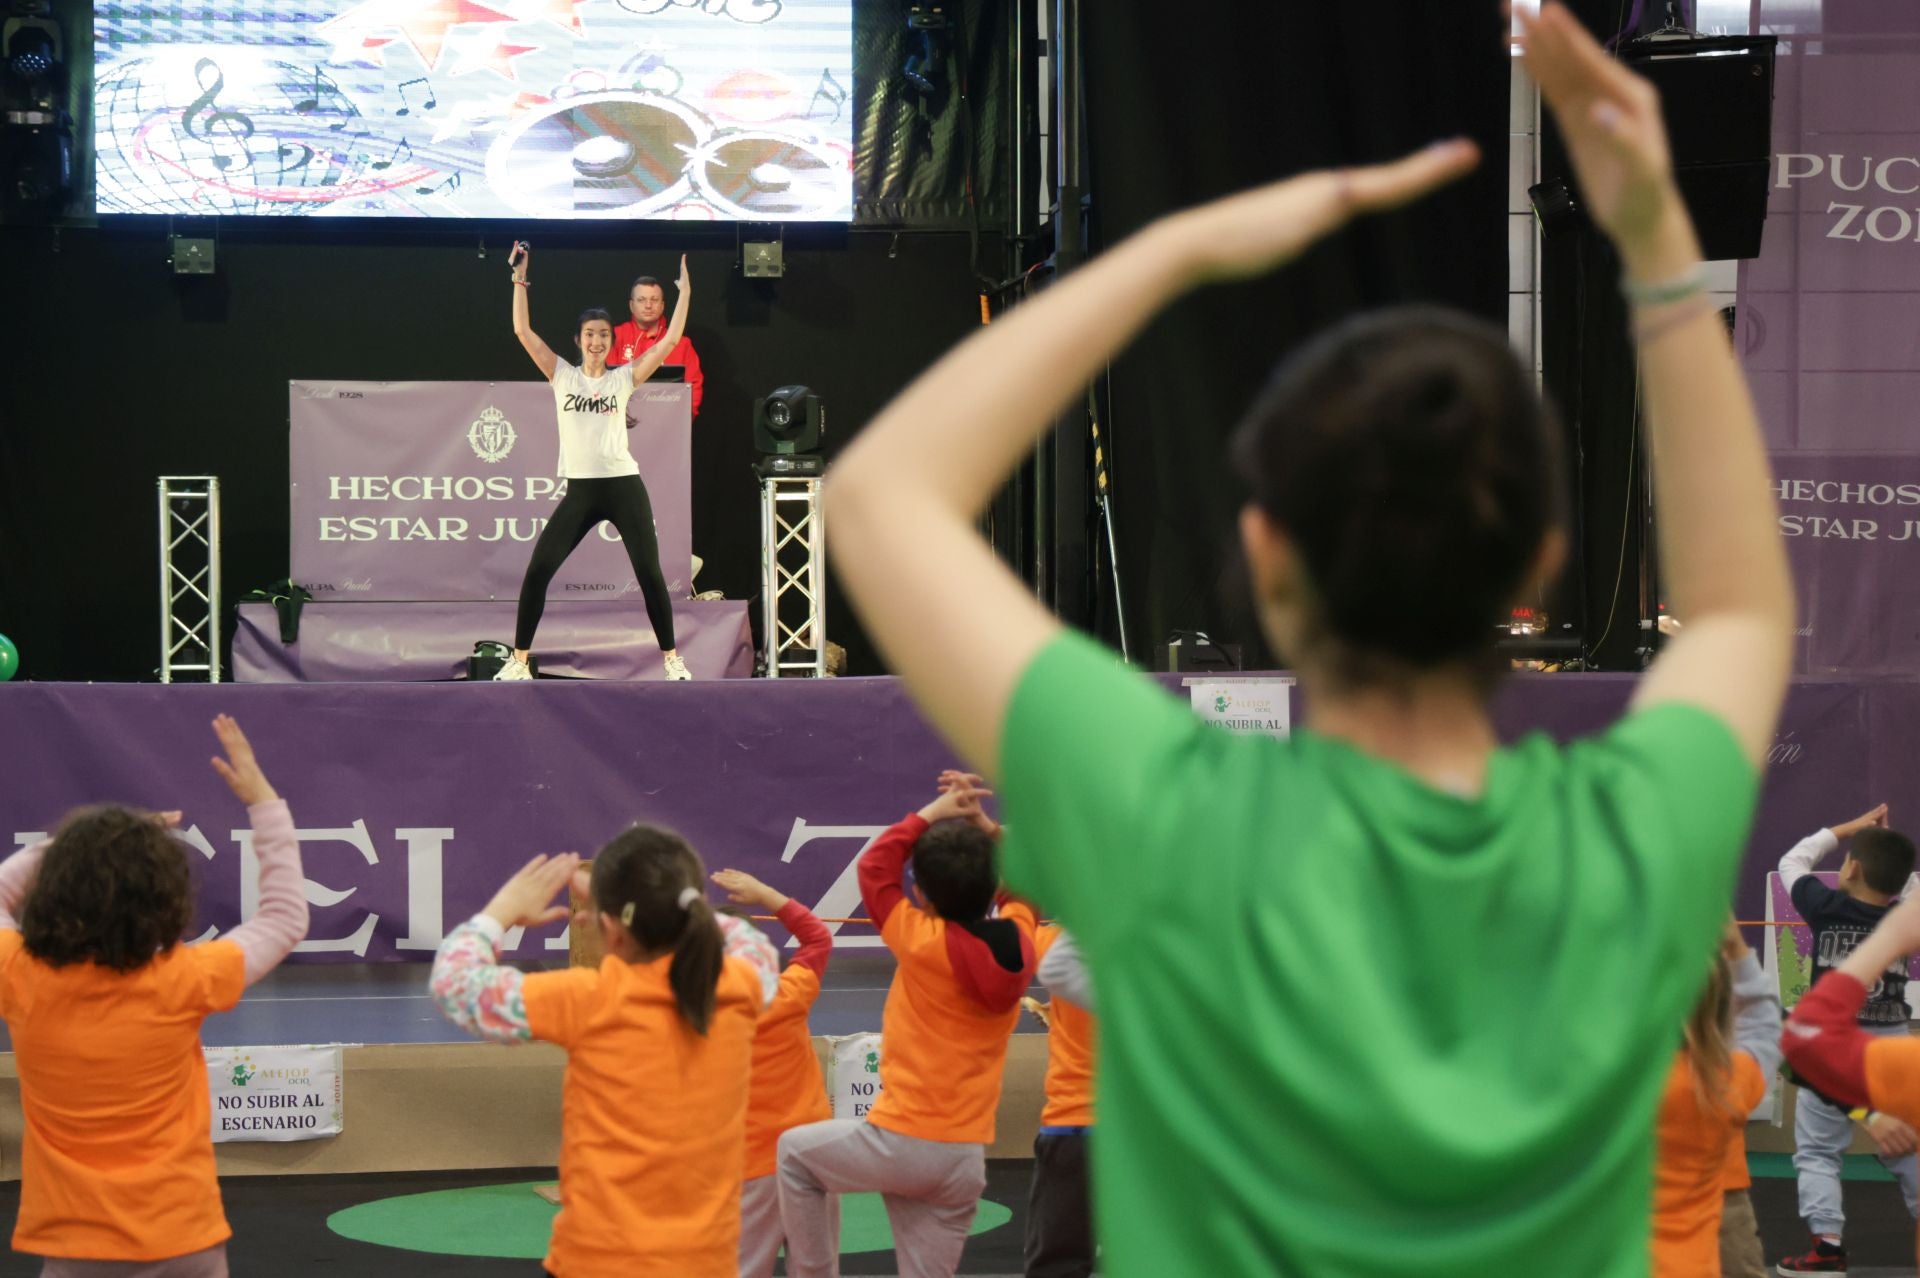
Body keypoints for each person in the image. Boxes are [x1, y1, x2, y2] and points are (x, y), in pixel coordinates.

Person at [818, 4, 1794, 1273]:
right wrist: (1659, 248)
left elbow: (881, 495)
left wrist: (1174, 250)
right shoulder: (1627, 835)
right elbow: (1738, 609)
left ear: (1266, 556)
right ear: (1541, 564)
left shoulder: (1176, 816)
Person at [0, 715, 309, 1277]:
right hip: (182, 1239)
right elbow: (286, 917)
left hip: (75, 1247)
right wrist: (265, 802)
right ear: (164, 897)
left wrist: (78, 849)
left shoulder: (19, 974)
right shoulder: (185, 978)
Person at [430, 829, 780, 1278]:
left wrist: (500, 912)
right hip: (708, 1263)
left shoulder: (592, 1000)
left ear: (609, 930)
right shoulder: (743, 985)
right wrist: (663, 901)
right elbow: (748, 945)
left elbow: (455, 986)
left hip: (599, 1261)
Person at [777, 780, 1037, 1278]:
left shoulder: (919, 940)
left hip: (900, 1142)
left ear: (922, 894)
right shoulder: (1021, 942)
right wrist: (993, 832)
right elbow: (1024, 889)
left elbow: (874, 868)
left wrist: (933, 811)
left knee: (793, 1154)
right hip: (961, 1162)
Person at [499, 242, 694, 682]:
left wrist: (683, 295)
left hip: (623, 487)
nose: (596, 340)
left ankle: (672, 660)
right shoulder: (560, 374)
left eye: (604, 334)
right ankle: (519, 661)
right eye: (589, 334)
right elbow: (522, 331)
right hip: (582, 491)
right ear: (579, 339)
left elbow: (671, 340)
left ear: (611, 341)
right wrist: (519, 279)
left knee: (649, 573)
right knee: (538, 571)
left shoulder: (624, 377)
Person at [1776, 804, 1920, 1274]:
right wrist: (1893, 859)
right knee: (1906, 1145)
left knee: (1818, 1150)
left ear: (1851, 867)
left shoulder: (1824, 905)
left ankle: (1827, 1245)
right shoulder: (1903, 914)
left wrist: (1847, 831)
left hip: (1835, 1049)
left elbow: (1792, 862)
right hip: (1891, 1048)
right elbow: (1910, 886)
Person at [707, 868, 834, 1278]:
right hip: (814, 1158)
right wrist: (764, 894)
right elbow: (818, 937)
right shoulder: (791, 993)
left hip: (748, 1167)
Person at [1650, 921, 1780, 1278]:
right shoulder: (1726, 1081)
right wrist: (1737, 949)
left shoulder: (1621, 1088)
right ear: (1722, 1005)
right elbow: (1765, 1026)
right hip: (1719, 1199)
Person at [1028, 922, 1096, 1278]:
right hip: (1148, 1132)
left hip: (1074, 1125)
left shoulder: (1052, 940)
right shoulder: (1169, 938)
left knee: (1057, 1268)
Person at [610, 273, 704, 419]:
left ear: (662, 305)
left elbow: (693, 387)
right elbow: (603, 381)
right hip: (621, 425)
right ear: (631, 305)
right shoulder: (615, 337)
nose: (648, 305)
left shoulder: (682, 343)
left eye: (654, 300)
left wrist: (684, 419)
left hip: (666, 425)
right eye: (641, 300)